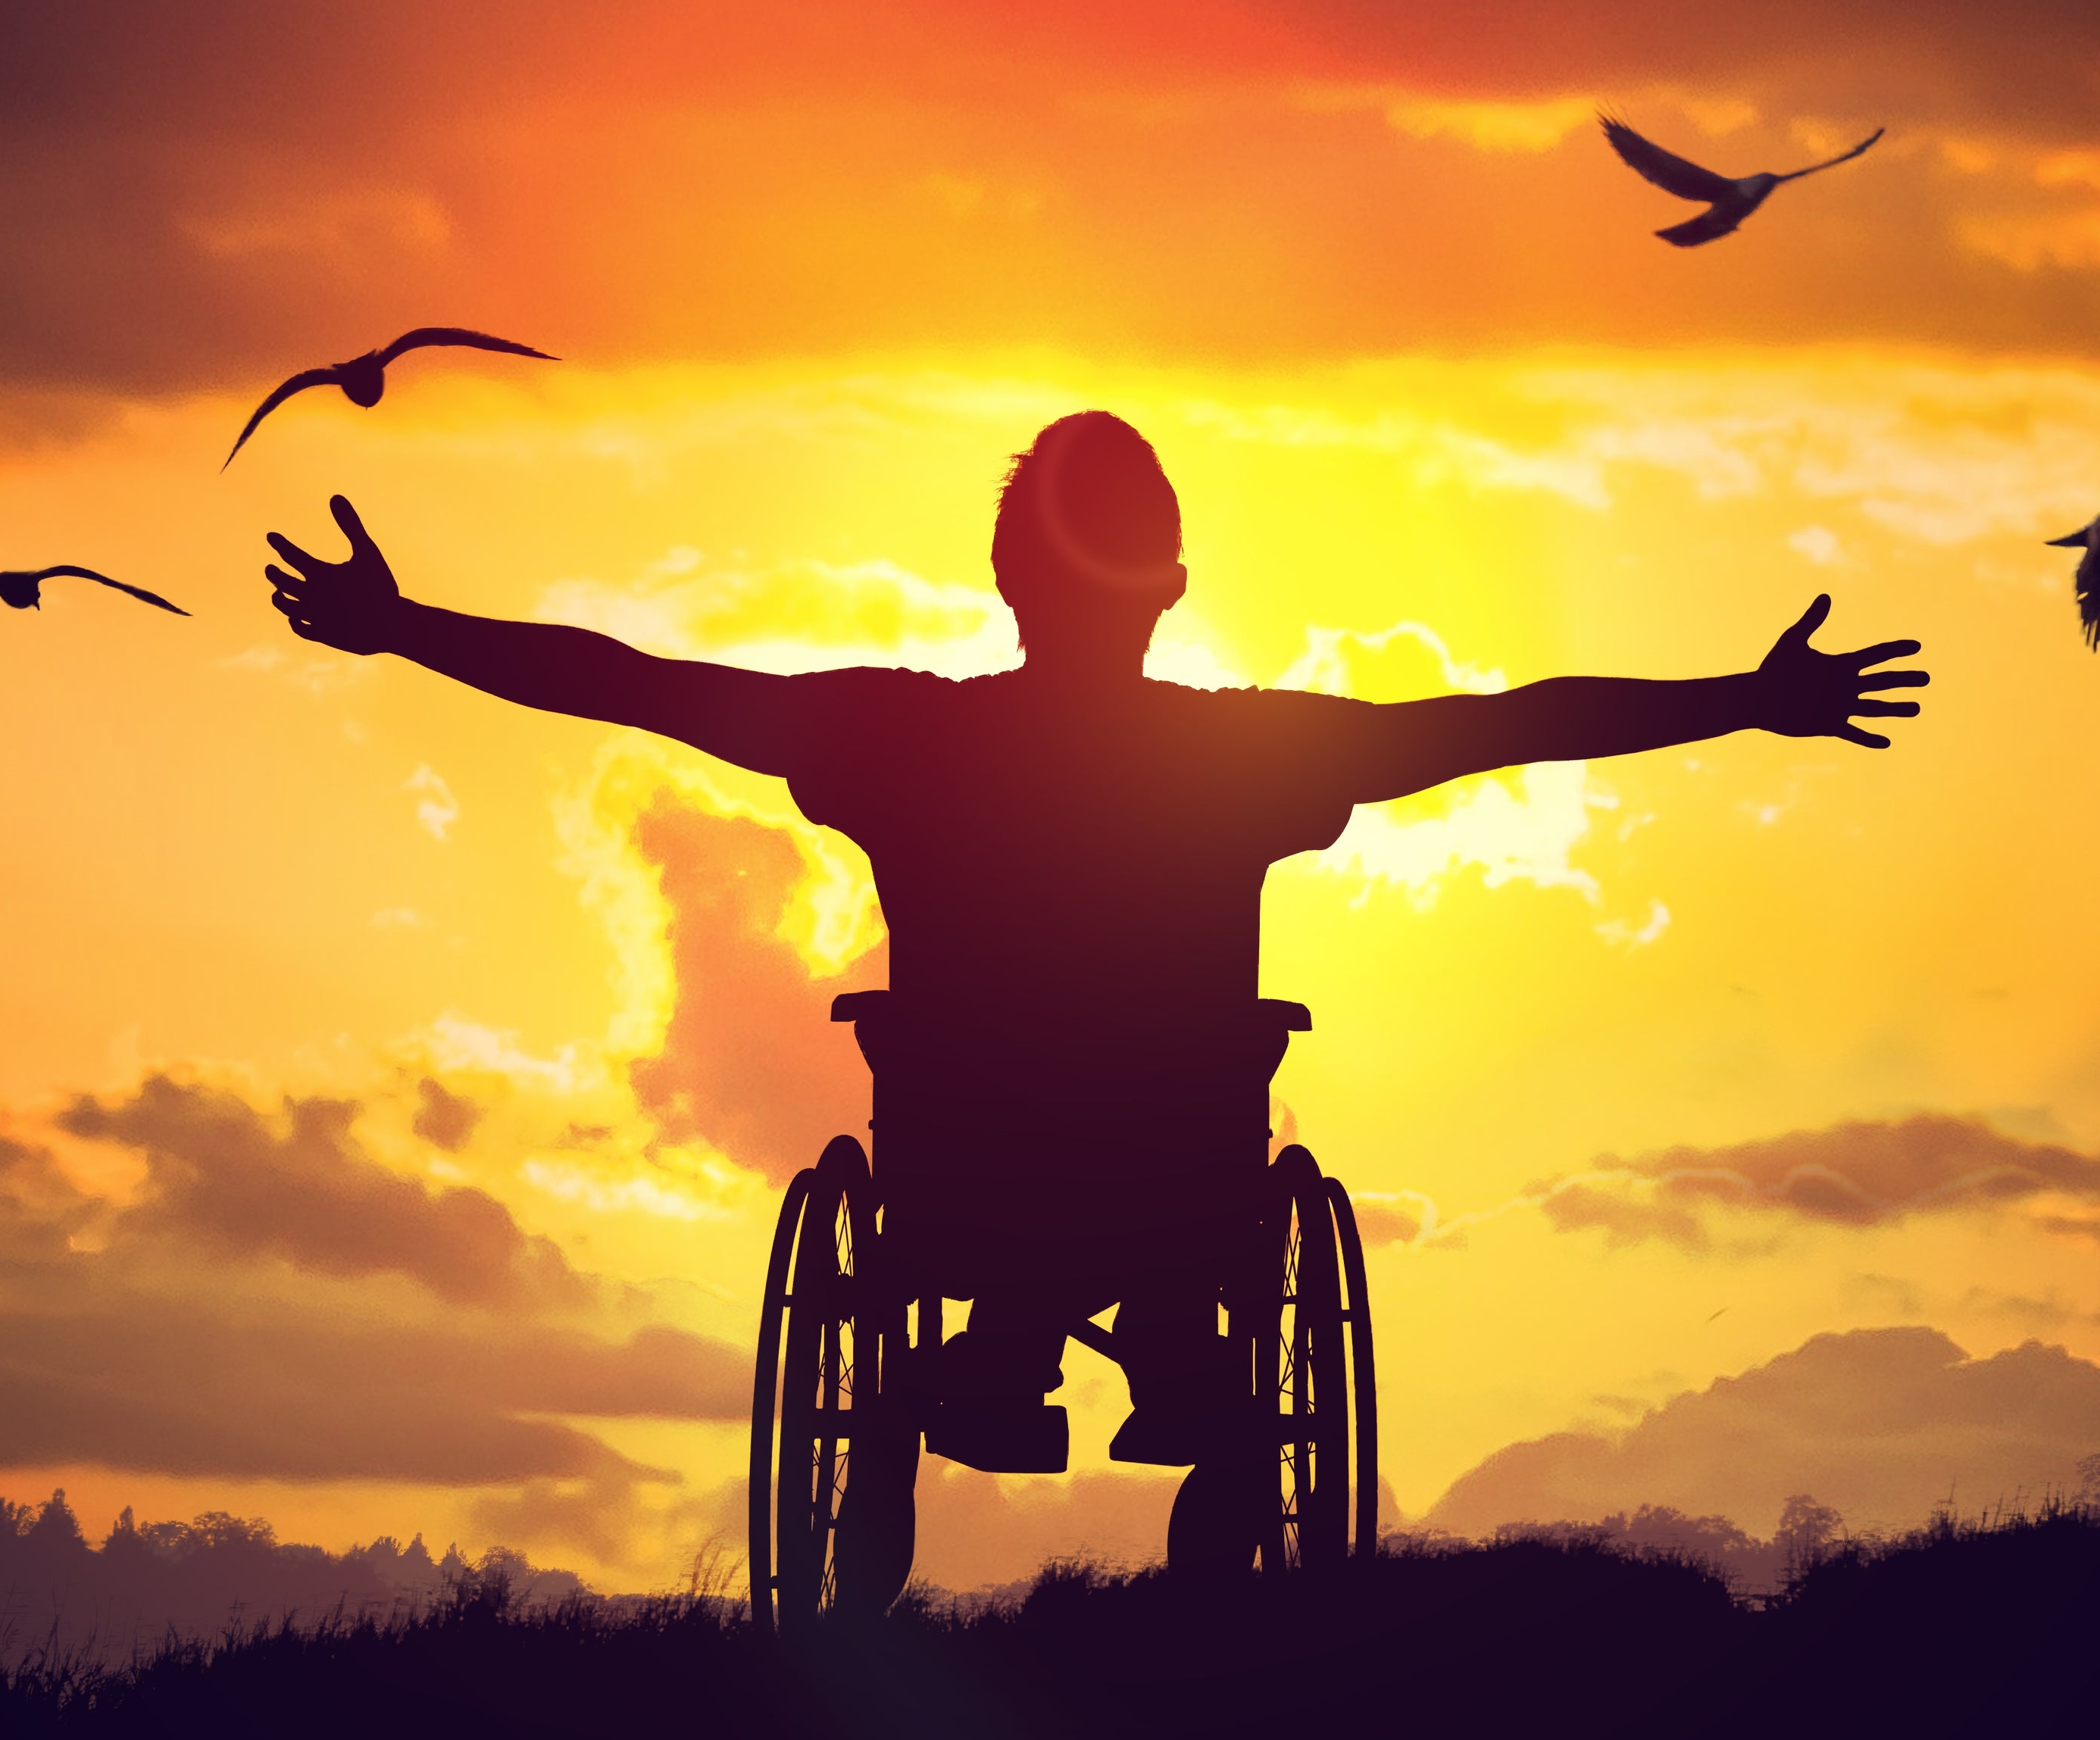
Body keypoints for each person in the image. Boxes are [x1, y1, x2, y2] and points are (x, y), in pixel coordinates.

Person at [262, 410, 1926, 1567]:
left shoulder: (900, 733)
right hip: (1181, 1194)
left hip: (957, 1180)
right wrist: (1748, 698)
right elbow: (1510, 718)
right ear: (1174, 588)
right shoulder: (1247, 751)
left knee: (984, 1158)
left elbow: (635, 683)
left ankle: (989, 1346)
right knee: (1182, 1147)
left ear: (1006, 583)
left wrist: (405, 627)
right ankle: (1190, 1354)